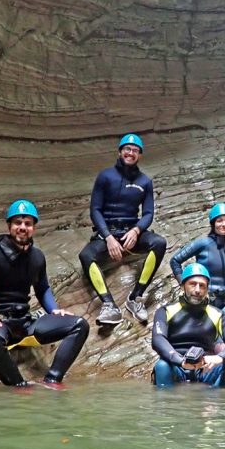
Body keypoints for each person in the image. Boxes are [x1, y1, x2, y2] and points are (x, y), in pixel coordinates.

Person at [0, 199, 89, 389]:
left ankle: (53, 379)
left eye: (28, 223)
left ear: (33, 228)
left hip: (25, 323)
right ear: (9, 226)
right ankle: (19, 385)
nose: (22, 227)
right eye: (17, 223)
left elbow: (43, 288)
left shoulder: (37, 257)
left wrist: (54, 310)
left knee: (80, 325)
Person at [78, 133, 167, 326]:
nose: (131, 153)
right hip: (107, 232)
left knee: (159, 243)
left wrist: (136, 230)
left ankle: (135, 298)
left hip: (130, 233)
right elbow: (95, 210)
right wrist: (108, 237)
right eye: (127, 149)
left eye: (135, 151)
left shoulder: (145, 182)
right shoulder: (105, 176)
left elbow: (148, 214)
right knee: (85, 256)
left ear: (139, 156)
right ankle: (109, 305)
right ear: (119, 152)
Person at [169, 203, 225, 380]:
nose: (224, 224)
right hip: (205, 300)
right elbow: (175, 261)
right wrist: (184, 284)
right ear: (213, 224)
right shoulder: (203, 244)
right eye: (219, 221)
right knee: (211, 334)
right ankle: (208, 370)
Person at [151, 263, 225, 387]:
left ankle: (217, 402)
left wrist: (220, 357)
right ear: (183, 286)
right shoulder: (165, 311)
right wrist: (181, 361)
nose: (197, 290)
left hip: (205, 367)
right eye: (192, 284)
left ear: (206, 289)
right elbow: (158, 339)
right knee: (162, 365)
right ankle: (167, 404)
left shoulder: (218, 314)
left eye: (202, 286)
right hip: (175, 365)